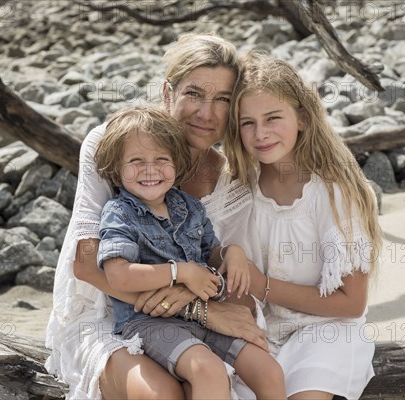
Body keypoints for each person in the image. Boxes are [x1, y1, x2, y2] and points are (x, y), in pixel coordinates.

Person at [45, 33, 268, 399]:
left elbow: (230, 281)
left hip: (192, 321)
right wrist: (198, 307)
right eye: (194, 93)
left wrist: (231, 260)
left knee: (243, 374)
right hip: (109, 312)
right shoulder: (111, 144)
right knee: (163, 393)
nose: (206, 113)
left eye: (222, 99)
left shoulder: (233, 179)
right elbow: (86, 265)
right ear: (168, 92)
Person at [95, 107, 286, 399]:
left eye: (161, 159)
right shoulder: (120, 214)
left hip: (203, 313)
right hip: (149, 323)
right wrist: (180, 272)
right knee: (208, 369)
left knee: (269, 369)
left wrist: (232, 253)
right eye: (136, 161)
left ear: (176, 163)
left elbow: (211, 254)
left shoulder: (189, 207)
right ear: (116, 168)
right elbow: (118, 276)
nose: (150, 169)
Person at [224, 53, 383, 399]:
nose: (260, 133)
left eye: (272, 118)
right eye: (247, 122)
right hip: (261, 335)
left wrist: (261, 284)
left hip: (325, 332)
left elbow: (351, 303)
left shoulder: (332, 191)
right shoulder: (238, 192)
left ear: (303, 119)